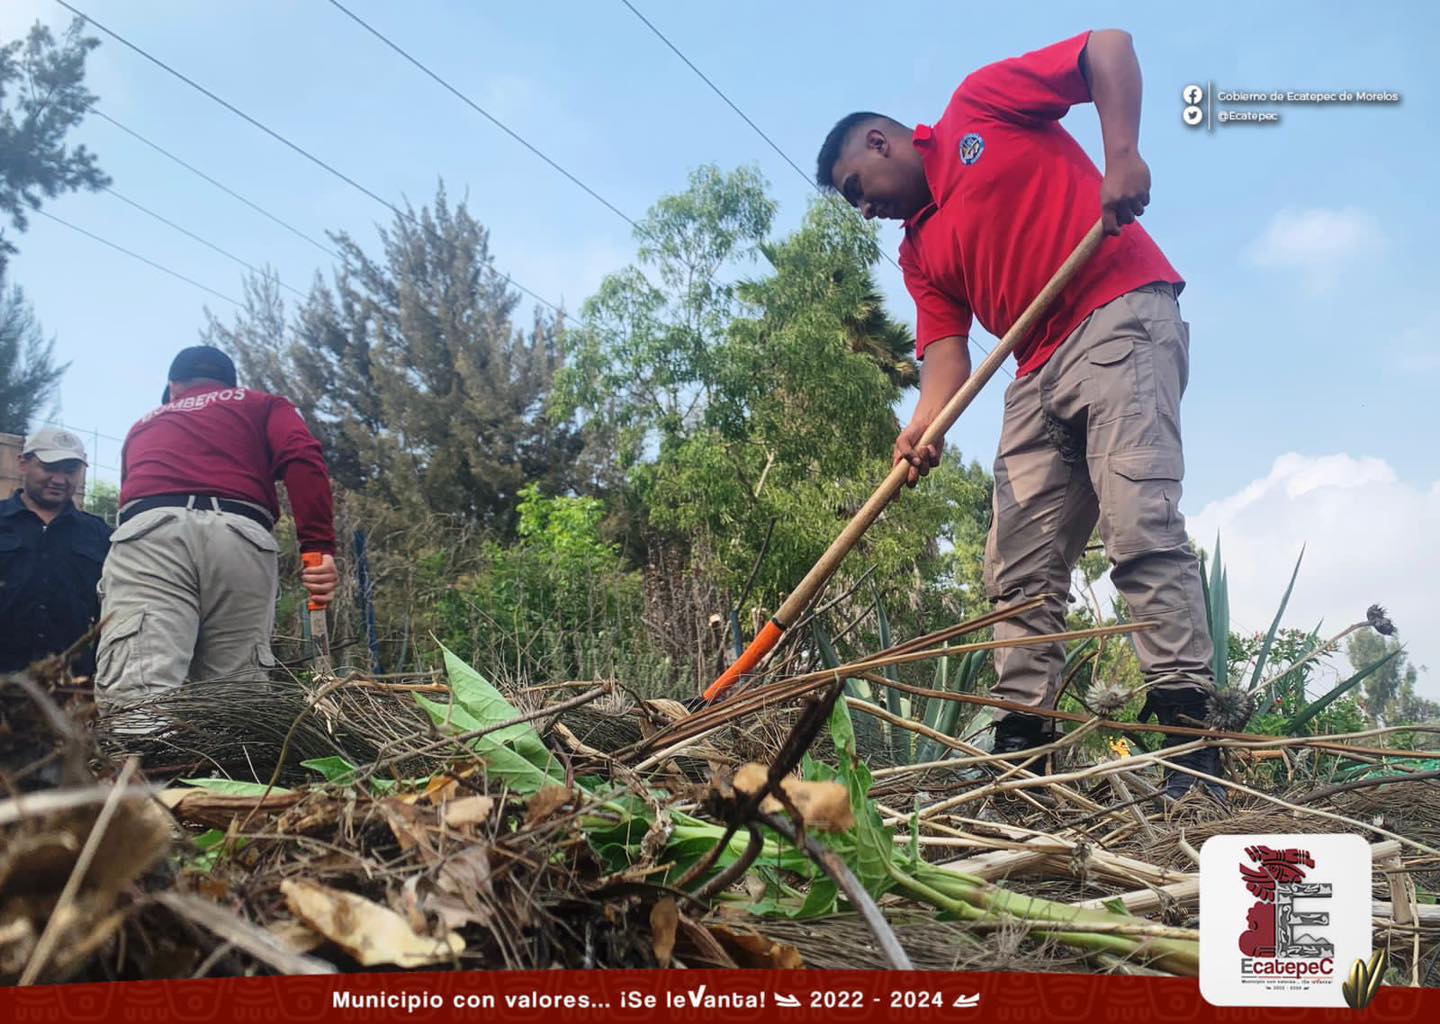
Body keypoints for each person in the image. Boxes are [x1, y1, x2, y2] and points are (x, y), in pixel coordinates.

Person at [815, 29, 1221, 798]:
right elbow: (945, 352)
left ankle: (1188, 738)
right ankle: (1022, 760)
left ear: (879, 141)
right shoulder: (918, 249)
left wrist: (1122, 155)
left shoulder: (980, 106)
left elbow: (1107, 47)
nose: (862, 208)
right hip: (1034, 366)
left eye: (856, 187)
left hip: (1116, 313)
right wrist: (925, 424)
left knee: (1137, 528)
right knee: (1018, 569)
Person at [95, 346, 339, 713]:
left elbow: (129, 500)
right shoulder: (263, 404)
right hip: (239, 534)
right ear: (229, 384)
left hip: (152, 535)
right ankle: (229, 766)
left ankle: (138, 766)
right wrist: (317, 549)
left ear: (173, 387)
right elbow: (303, 458)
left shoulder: (144, 425)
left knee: (140, 688)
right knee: (234, 698)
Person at [0, 428, 111, 677]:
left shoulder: (100, 535)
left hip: (71, 687)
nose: (59, 480)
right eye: (49, 468)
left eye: (70, 470)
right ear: (23, 464)